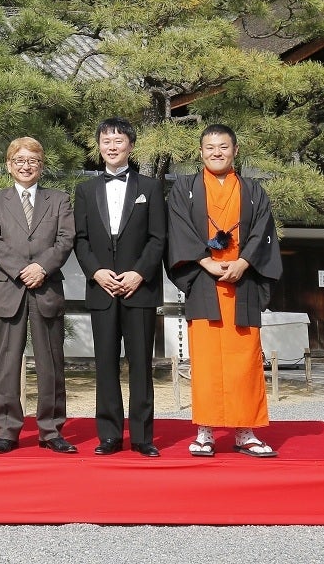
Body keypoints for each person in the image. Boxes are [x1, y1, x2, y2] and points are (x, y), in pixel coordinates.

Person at [167, 124, 282, 458]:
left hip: (242, 283)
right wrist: (205, 263)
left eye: (223, 147)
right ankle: (205, 431)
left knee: (244, 360)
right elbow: (179, 229)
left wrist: (244, 262)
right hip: (204, 283)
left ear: (235, 150)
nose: (216, 153)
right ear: (200, 152)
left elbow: (263, 231)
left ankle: (244, 431)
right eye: (209, 147)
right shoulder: (184, 189)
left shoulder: (253, 190)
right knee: (205, 361)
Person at [72, 117, 167, 457]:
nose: (112, 146)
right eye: (106, 141)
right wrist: (96, 272)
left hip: (138, 289)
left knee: (141, 364)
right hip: (101, 289)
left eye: (119, 140)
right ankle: (109, 434)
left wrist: (139, 273)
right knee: (106, 364)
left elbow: (158, 238)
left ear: (131, 145)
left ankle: (143, 437)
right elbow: (80, 240)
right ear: (98, 147)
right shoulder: (84, 190)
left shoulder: (151, 187)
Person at [0, 137, 77, 454]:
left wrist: (42, 268)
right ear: (9, 165)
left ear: (41, 165)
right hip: (10, 288)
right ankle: (7, 430)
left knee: (51, 364)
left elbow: (65, 239)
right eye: (19, 160)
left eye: (32, 160)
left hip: (46, 288)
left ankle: (51, 430)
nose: (26, 166)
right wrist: (23, 269)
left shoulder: (59, 199)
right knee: (6, 364)